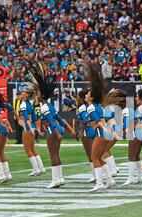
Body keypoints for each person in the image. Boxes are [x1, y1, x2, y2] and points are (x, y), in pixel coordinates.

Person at [27, 60, 77, 188]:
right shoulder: (49, 105)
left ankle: (55, 179)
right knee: (56, 154)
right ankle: (59, 178)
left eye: (38, 94)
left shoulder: (44, 107)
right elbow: (60, 119)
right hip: (56, 129)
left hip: (52, 131)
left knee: (53, 155)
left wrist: (57, 133)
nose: (37, 96)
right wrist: (69, 130)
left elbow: (51, 122)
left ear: (42, 96)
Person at [86, 64, 116, 192]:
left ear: (92, 97)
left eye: (88, 94)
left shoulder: (92, 107)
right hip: (104, 133)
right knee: (99, 158)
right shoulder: (100, 107)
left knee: (94, 158)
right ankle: (109, 179)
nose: (86, 95)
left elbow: (99, 121)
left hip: (100, 133)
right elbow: (106, 119)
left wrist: (105, 129)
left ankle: (99, 183)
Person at [18, 87, 46, 176]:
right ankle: (41, 168)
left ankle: (36, 169)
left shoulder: (23, 105)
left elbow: (26, 117)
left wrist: (29, 127)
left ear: (27, 95)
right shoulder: (30, 104)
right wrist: (37, 129)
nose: (22, 93)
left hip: (28, 127)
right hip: (31, 127)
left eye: (24, 92)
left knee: (28, 149)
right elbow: (35, 118)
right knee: (33, 148)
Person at [76, 89, 96, 183]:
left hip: (86, 131)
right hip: (92, 129)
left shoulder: (82, 107)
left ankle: (95, 175)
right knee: (94, 154)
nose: (77, 99)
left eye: (78, 97)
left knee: (91, 155)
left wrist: (81, 130)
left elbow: (84, 120)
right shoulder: (89, 106)